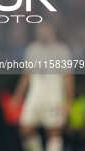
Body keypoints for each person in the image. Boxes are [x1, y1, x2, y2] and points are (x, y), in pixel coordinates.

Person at [13, 23, 75, 151]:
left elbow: (68, 77)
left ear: (52, 30)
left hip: (54, 96)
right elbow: (27, 75)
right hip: (35, 95)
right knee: (26, 128)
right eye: (40, 29)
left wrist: (69, 102)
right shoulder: (32, 49)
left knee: (53, 131)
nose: (42, 32)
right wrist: (18, 95)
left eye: (45, 28)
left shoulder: (61, 49)